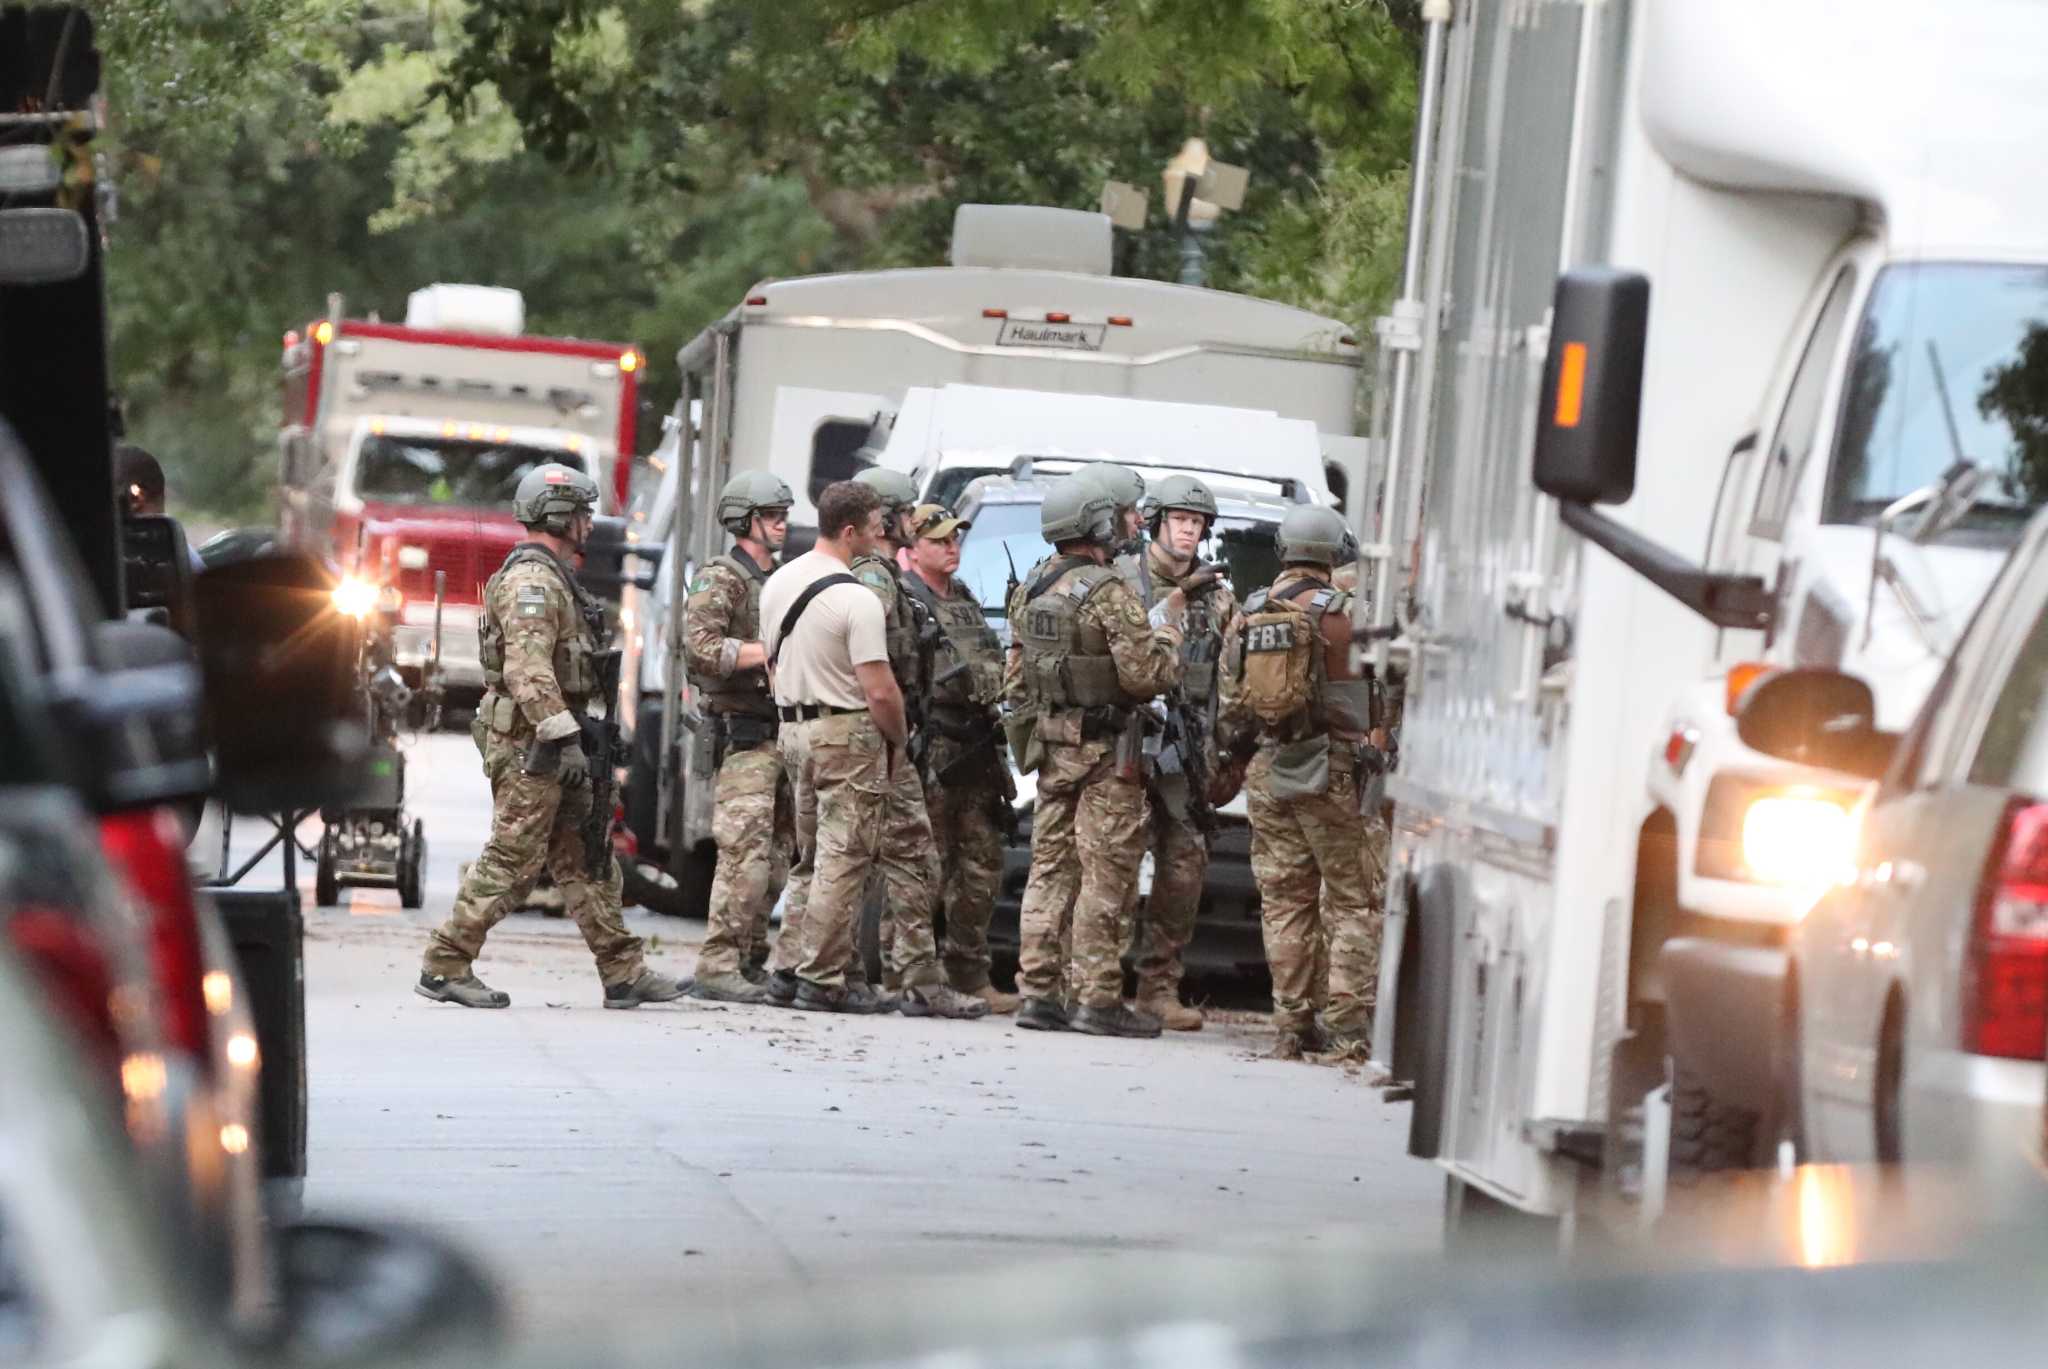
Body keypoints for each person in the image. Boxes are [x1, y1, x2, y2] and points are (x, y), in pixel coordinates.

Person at [419, 464, 688, 1009]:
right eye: (583, 513)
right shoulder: (534, 585)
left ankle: (623, 972)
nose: (590, 523)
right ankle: (445, 964)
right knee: (513, 862)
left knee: (587, 858)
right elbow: (528, 670)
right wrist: (564, 738)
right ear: (559, 515)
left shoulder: (553, 576)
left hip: (555, 742)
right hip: (533, 745)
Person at [760, 480, 979, 1017]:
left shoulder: (780, 580)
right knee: (847, 859)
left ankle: (792, 969)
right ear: (851, 530)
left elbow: (771, 663)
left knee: (815, 857)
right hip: (853, 732)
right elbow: (880, 688)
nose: (886, 529)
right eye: (880, 520)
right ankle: (824, 978)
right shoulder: (856, 595)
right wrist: (899, 740)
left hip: (794, 728)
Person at [1006, 475, 1186, 1038]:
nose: (1136, 523)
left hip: (1054, 749)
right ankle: (1098, 998)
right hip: (1109, 754)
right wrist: (1172, 632)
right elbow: (1145, 675)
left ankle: (1038, 992)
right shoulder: (1109, 592)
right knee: (1106, 876)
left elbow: (1016, 677)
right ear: (1098, 523)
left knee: (1050, 872)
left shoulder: (1032, 587)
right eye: (1126, 515)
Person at [1226, 504, 1388, 1058]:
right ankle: (1346, 1028)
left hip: (1270, 772)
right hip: (1335, 771)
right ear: (1334, 553)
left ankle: (1291, 1026)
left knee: (1284, 902)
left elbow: (1228, 707)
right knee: (1353, 900)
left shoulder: (1250, 613)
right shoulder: (1351, 616)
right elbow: (1391, 693)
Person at [830, 467, 987, 1019]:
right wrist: (897, 730)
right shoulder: (874, 578)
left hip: (897, 734)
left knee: (866, 858)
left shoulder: (876, 578)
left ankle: (859, 974)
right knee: (889, 858)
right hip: (885, 735)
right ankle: (870, 975)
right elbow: (874, 662)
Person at [1113, 475, 1242, 1031]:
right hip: (1124, 742)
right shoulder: (1122, 582)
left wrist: (1229, 751)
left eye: (1197, 524)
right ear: (1157, 522)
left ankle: (1158, 988)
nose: (1189, 531)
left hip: (1188, 749)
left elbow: (1231, 682)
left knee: (1183, 872)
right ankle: (1092, 984)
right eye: (1180, 520)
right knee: (1111, 868)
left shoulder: (1217, 597)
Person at [682, 472, 797, 1004]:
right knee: (743, 857)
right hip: (743, 736)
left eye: (783, 514)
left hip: (782, 734)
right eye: (772, 514)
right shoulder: (721, 577)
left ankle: (748, 960)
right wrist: (766, 654)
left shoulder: (782, 577)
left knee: (776, 859)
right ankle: (718, 962)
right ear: (745, 521)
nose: (782, 523)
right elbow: (699, 648)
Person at [902, 502, 1017, 1014]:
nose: (953, 548)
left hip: (976, 750)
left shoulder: (965, 599)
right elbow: (944, 675)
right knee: (927, 867)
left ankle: (970, 972)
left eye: (955, 539)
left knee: (981, 867)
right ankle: (912, 974)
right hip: (936, 748)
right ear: (914, 547)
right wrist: (994, 680)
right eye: (941, 540)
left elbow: (989, 659)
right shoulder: (909, 600)